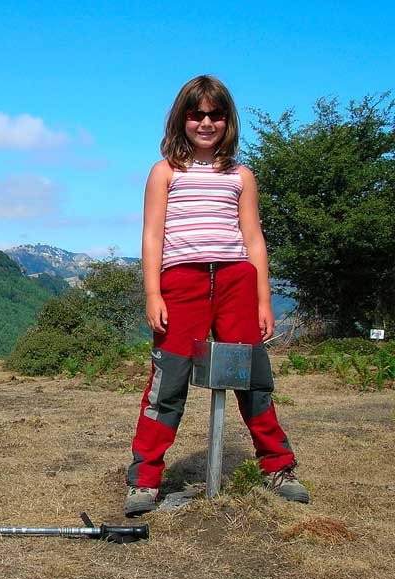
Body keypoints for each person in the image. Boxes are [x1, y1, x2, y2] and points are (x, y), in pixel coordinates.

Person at [124, 75, 309, 516]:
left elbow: (254, 238)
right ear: (182, 118)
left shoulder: (241, 175)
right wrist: (153, 293)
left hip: (235, 281)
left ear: (227, 121)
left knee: (253, 378)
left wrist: (264, 300)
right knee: (167, 384)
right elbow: (152, 236)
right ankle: (145, 480)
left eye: (215, 114)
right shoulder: (164, 171)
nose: (206, 123)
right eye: (196, 114)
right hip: (180, 282)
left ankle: (279, 467)